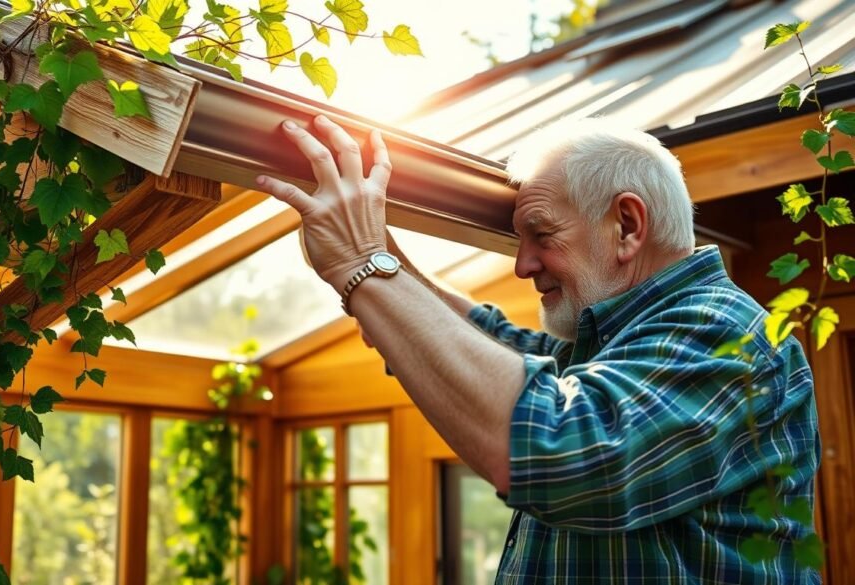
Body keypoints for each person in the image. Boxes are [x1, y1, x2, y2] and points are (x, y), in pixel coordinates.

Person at [255, 115, 821, 583]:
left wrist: (362, 265)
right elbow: (488, 343)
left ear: (627, 225)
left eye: (542, 234)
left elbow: (561, 447)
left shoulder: (723, 332)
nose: (522, 265)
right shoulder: (615, 346)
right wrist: (378, 254)